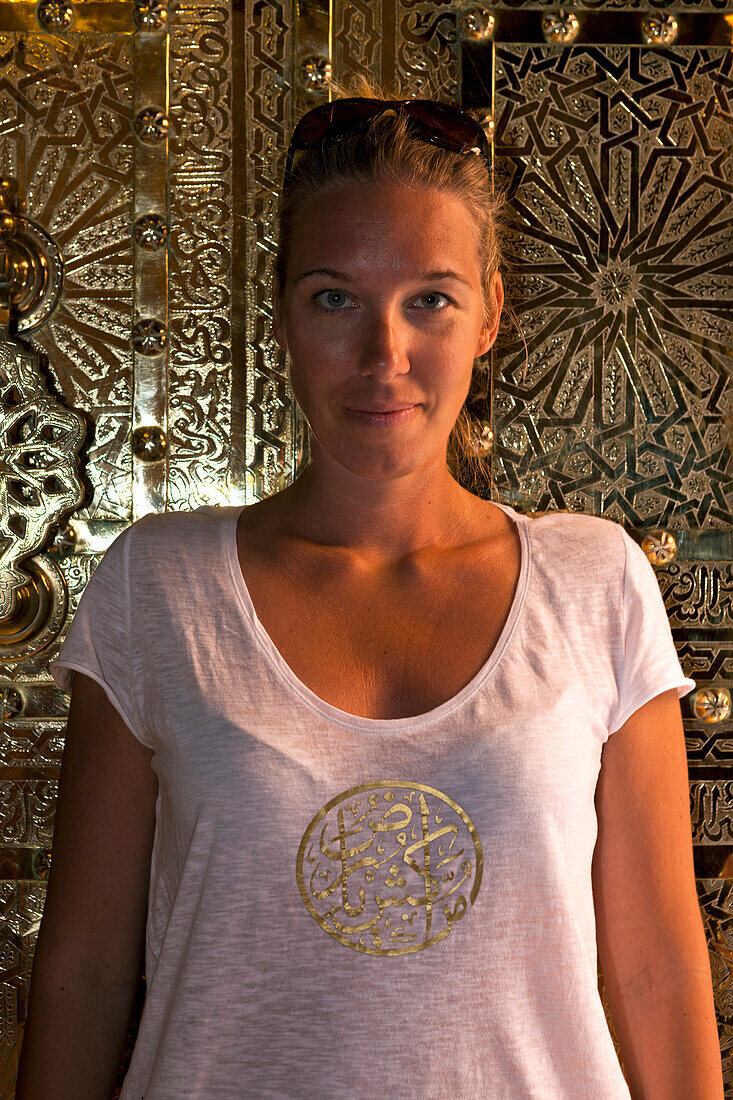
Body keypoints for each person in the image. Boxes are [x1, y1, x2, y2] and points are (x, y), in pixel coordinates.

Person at [16, 75, 723, 1099]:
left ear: (490, 318)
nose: (382, 354)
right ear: (283, 317)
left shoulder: (594, 580)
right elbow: (82, 973)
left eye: (430, 298)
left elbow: (655, 969)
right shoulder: (156, 587)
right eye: (334, 297)